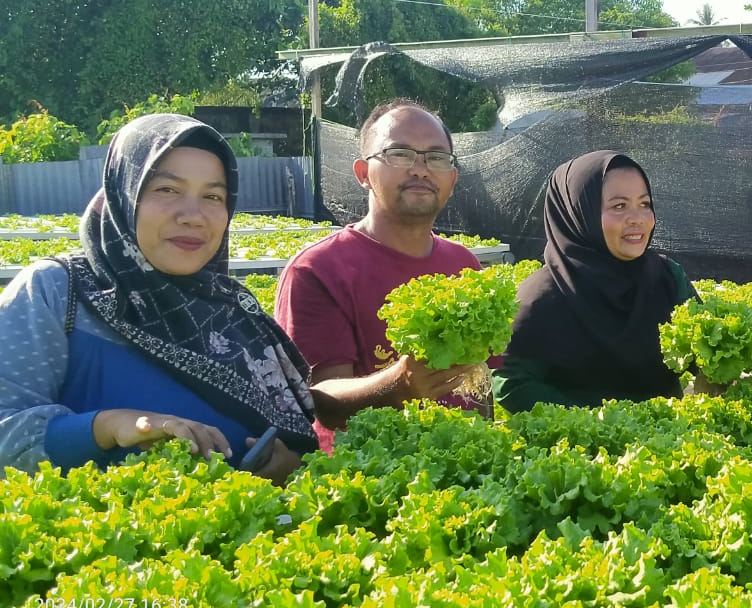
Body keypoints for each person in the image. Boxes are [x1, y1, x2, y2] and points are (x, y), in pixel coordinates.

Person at [0, 114, 317, 482]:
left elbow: (298, 438)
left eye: (212, 196)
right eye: (167, 190)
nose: (193, 216)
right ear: (125, 193)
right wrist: (109, 426)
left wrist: (291, 469)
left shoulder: (236, 310)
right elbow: (6, 430)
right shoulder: (56, 291)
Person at [275, 99, 490, 453]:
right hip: (367, 472)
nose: (421, 169)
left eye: (436, 158)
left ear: (452, 179)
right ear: (363, 173)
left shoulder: (463, 264)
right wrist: (400, 383)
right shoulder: (317, 270)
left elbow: (481, 383)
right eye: (400, 154)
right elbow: (320, 399)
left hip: (467, 462)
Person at [492, 151, 697, 413]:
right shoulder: (542, 297)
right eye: (619, 206)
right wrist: (592, 421)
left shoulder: (667, 277)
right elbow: (511, 383)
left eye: (644, 204)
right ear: (578, 213)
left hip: (668, 435)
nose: (637, 218)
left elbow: (708, 349)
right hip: (574, 438)